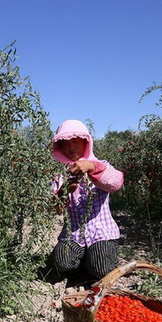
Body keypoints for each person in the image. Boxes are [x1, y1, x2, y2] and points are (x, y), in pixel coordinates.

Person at [49, 119, 124, 281]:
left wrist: (91, 168)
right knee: (62, 262)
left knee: (101, 268)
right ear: (60, 148)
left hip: (102, 233)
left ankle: (97, 260)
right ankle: (85, 262)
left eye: (75, 141)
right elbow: (55, 208)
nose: (70, 147)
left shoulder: (101, 166)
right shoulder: (61, 175)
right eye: (65, 144)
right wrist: (64, 191)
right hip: (74, 234)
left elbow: (116, 183)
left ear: (85, 142)